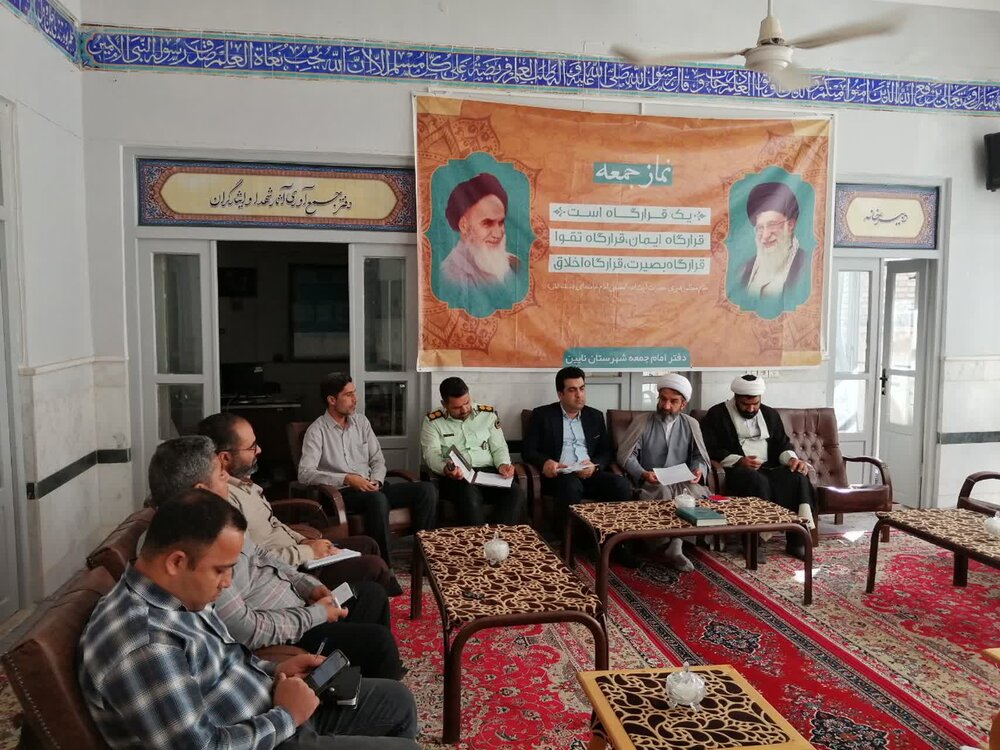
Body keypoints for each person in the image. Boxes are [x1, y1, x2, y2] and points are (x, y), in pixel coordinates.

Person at [79, 489, 419, 749]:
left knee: (398, 701)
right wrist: (287, 716)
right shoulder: (144, 645)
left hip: (269, 709)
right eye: (221, 570)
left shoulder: (177, 596)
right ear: (176, 562)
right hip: (270, 736)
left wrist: (275, 670)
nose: (228, 583)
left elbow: (226, 663)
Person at [148, 436, 404, 679]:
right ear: (200, 491)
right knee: (379, 644)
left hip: (300, 606)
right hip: (289, 629)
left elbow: (262, 554)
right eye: (220, 474)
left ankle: (361, 680)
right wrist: (316, 614)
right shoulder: (200, 551)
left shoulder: (218, 520)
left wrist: (309, 586)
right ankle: (368, 689)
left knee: (371, 595)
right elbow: (244, 628)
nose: (227, 477)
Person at [198, 412, 402, 596]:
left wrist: (304, 541)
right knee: (373, 566)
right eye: (252, 447)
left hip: (298, 552)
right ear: (225, 457)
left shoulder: (245, 484)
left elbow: (274, 522)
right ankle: (361, 606)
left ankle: (371, 602)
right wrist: (309, 552)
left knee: (368, 544)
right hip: (289, 572)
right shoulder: (222, 500)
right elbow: (251, 562)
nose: (259, 450)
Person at [298, 373, 437, 565]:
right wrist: (347, 478)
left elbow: (377, 460)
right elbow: (305, 474)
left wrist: (377, 480)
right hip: (342, 494)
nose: (355, 399)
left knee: (426, 490)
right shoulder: (316, 431)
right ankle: (384, 565)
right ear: (331, 400)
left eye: (354, 393)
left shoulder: (361, 423)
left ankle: (422, 559)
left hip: (372, 487)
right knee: (377, 500)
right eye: (348, 395)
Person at [700, 374, 816, 560]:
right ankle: (753, 543)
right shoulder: (717, 414)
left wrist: (791, 460)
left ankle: (797, 541)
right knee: (756, 481)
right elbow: (710, 448)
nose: (751, 408)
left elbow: (782, 444)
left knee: (798, 478)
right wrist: (739, 460)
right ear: (736, 398)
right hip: (737, 471)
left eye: (755, 404)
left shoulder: (770, 414)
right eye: (745, 404)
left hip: (769, 467)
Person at [615, 374, 711, 572]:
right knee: (662, 492)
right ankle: (667, 545)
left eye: (673, 401)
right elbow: (626, 456)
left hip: (682, 479)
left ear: (683, 404)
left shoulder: (691, 423)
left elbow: (699, 456)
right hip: (650, 480)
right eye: (663, 399)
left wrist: (698, 470)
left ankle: (676, 545)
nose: (666, 406)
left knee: (691, 494)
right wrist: (643, 473)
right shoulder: (642, 421)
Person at [522, 366, 632, 532]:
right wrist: (545, 462)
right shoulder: (542, 415)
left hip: (589, 473)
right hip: (560, 476)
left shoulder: (594, 416)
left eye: (582, 388)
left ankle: (616, 540)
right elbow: (528, 450)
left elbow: (606, 451)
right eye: (572, 390)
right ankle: (569, 541)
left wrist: (595, 465)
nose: (579, 395)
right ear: (560, 394)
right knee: (570, 486)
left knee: (621, 485)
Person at [420, 376, 525, 525]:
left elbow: (499, 447)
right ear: (444, 404)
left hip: (488, 474)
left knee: (516, 493)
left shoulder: (487, 414)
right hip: (458, 477)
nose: (464, 409)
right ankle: (477, 538)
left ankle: (498, 536)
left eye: (467, 402)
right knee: (469, 495)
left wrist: (503, 465)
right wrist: (446, 468)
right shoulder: (433, 421)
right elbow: (431, 454)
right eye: (457, 407)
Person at [728, 181, 808, 311]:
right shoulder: (744, 271)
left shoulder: (807, 266)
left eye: (772, 225)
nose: (765, 236)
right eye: (760, 228)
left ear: (791, 225)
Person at [440, 172, 519, 288]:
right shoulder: (450, 276)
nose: (497, 234)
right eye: (487, 223)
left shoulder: (514, 265)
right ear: (464, 226)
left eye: (501, 223)